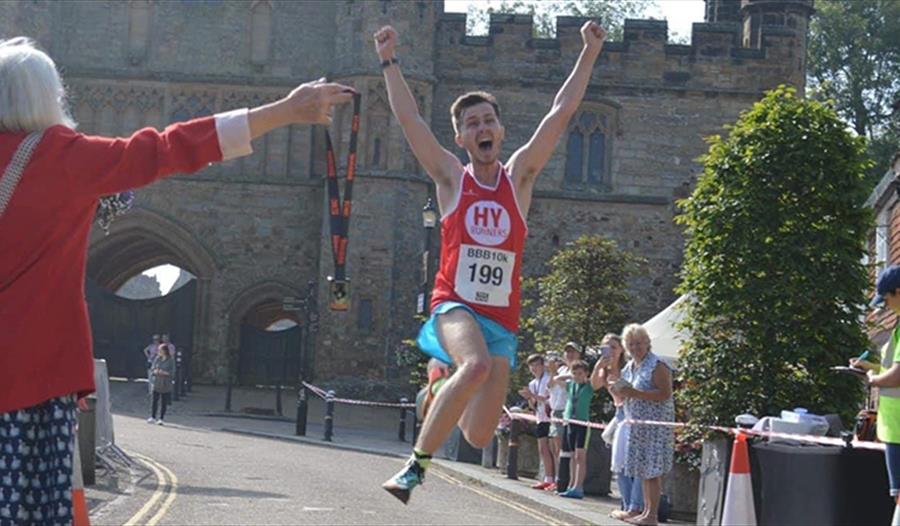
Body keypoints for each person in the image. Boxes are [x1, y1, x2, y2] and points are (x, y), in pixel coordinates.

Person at [0, 36, 355, 524]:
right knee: (33, 507)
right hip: (32, 378)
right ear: (45, 97)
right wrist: (284, 111)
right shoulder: (64, 157)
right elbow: (170, 148)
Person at [374, 19, 608, 504]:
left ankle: (435, 392)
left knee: (479, 434)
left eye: (488, 121)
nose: (481, 128)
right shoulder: (450, 179)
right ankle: (414, 469)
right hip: (454, 304)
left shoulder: (519, 178)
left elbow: (561, 113)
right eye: (471, 123)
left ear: (501, 131)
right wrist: (390, 61)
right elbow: (410, 121)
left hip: (501, 317)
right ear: (460, 138)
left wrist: (589, 52)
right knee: (475, 365)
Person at [612, 324, 674, 526]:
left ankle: (652, 515)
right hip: (637, 429)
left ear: (647, 343)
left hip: (655, 428)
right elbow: (626, 393)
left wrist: (635, 394)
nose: (635, 347)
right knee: (643, 472)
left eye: (639, 343)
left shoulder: (657, 365)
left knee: (652, 472)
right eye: (631, 344)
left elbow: (665, 394)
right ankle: (645, 511)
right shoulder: (629, 367)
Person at [854, 265, 900, 525]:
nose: (886, 307)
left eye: (887, 299)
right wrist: (870, 368)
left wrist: (873, 380)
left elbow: (896, 377)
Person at [596, 333, 644, 521]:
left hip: (633, 416)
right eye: (606, 347)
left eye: (614, 347)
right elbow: (594, 384)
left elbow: (632, 395)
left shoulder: (628, 368)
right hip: (620, 415)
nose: (610, 351)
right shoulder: (605, 370)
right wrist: (599, 366)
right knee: (619, 464)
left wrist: (620, 391)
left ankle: (635, 506)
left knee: (634, 464)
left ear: (622, 349)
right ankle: (626, 504)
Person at [558, 359, 603, 499]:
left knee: (580, 456)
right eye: (575, 373)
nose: (577, 376)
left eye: (580, 373)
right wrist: (571, 376)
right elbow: (556, 379)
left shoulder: (589, 386)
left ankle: (579, 487)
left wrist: (592, 372)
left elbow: (597, 381)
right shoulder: (571, 385)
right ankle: (571, 485)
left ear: (586, 374)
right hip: (570, 422)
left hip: (582, 424)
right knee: (572, 456)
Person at [519, 354, 555, 490]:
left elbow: (547, 398)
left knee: (553, 449)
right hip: (540, 418)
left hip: (550, 418)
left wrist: (532, 396)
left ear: (542, 366)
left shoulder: (547, 379)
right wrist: (529, 397)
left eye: (536, 365)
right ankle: (548, 478)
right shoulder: (532, 383)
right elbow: (533, 404)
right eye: (531, 366)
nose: (534, 368)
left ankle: (556, 479)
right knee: (543, 449)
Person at [544, 352, 568, 492]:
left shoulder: (569, 371)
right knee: (554, 448)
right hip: (554, 410)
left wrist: (555, 373)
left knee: (560, 448)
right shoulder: (559, 371)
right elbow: (550, 385)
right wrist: (553, 371)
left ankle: (561, 480)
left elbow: (565, 385)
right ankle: (557, 478)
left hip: (563, 411)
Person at [148, 344, 175, 425]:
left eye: (160, 350)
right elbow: (152, 368)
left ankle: (161, 418)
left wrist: (165, 372)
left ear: (164, 351)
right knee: (154, 401)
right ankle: (153, 417)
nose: (158, 352)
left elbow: (173, 372)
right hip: (157, 382)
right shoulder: (157, 359)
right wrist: (155, 371)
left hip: (165, 383)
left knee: (163, 401)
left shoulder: (171, 360)